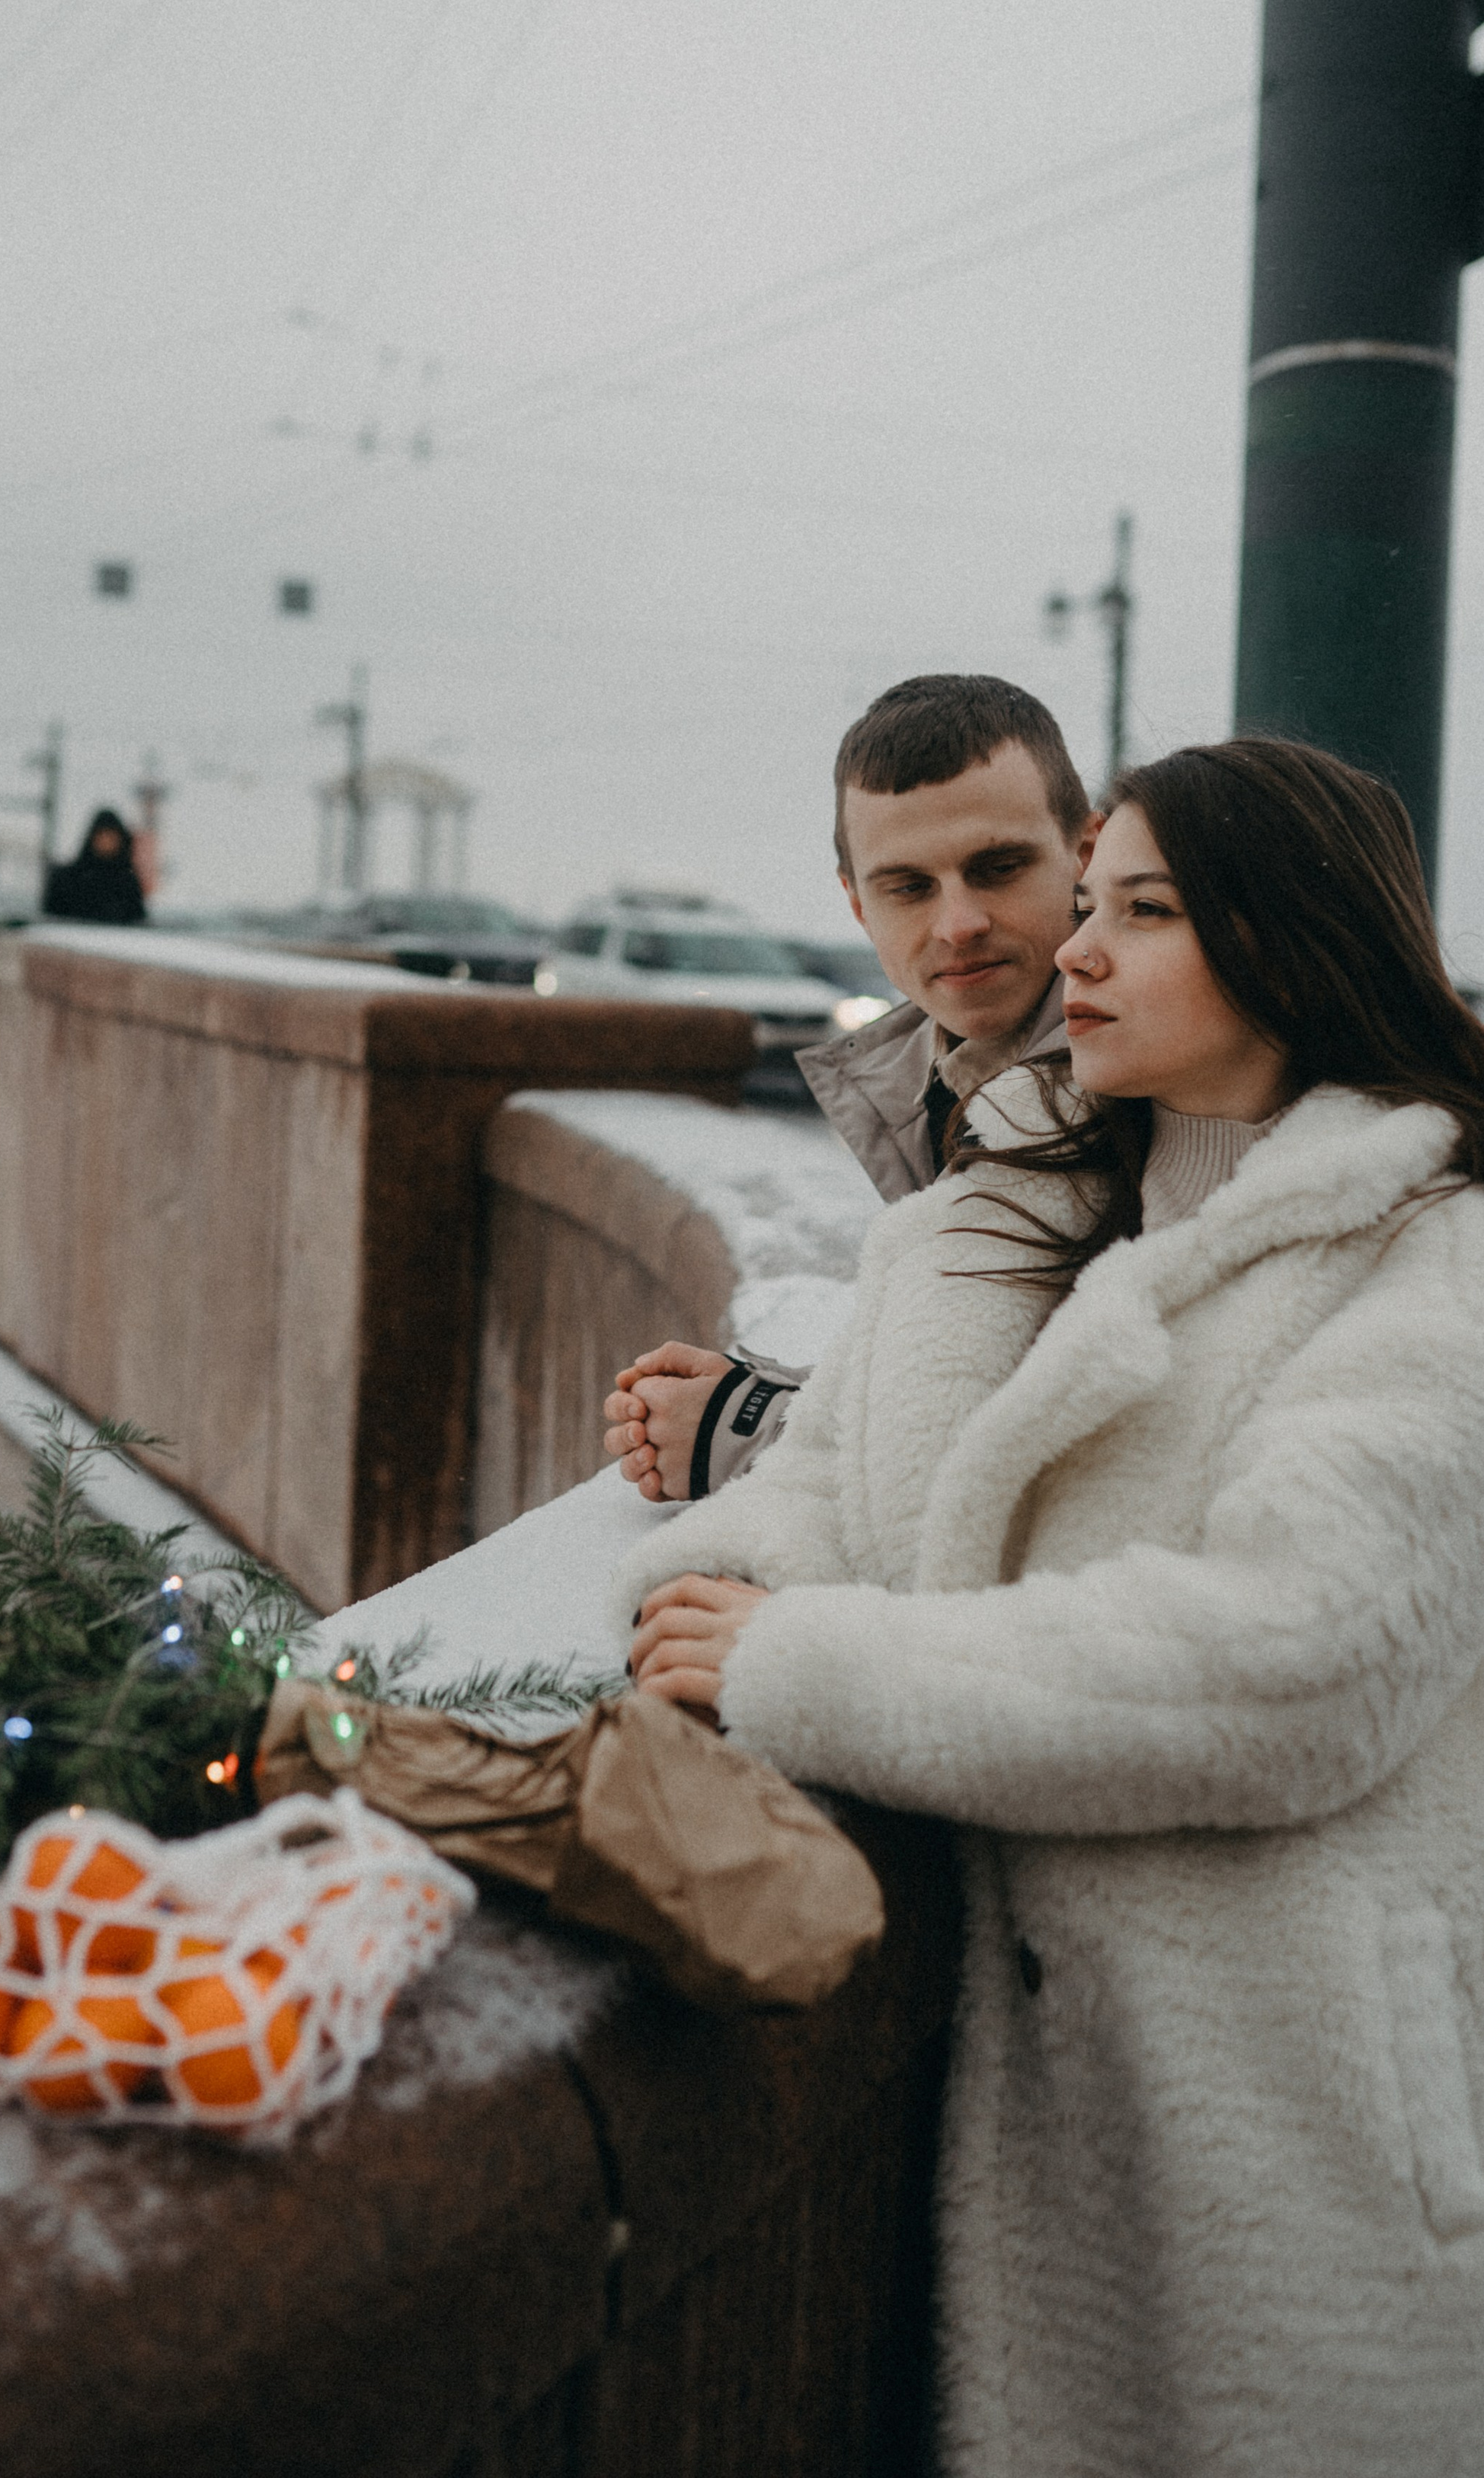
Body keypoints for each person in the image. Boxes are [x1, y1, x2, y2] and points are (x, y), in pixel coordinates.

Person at [620, 736, 1484, 2476]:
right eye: (1086, 903)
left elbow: (1290, 1658)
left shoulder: (1431, 1250)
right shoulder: (991, 1212)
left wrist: (806, 1664)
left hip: (1282, 2121)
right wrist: (723, 1593)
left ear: (1288, 936)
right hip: (1013, 2096)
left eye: (1140, 912)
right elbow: (825, 1485)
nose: (1071, 952)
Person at [606, 673, 1092, 1504]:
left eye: (998, 868)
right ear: (858, 904)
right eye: (908, 887)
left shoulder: (1148, 1074)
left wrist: (753, 1429)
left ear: (1087, 853)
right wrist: (775, 1396)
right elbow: (977, 1363)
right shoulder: (944, 1078)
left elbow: (1085, 1440)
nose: (958, 924)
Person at [41, 807, 146, 927]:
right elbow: (51, 920)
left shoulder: (127, 882)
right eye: (102, 835)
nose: (106, 842)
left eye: (111, 836)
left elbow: (137, 922)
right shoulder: (68, 878)